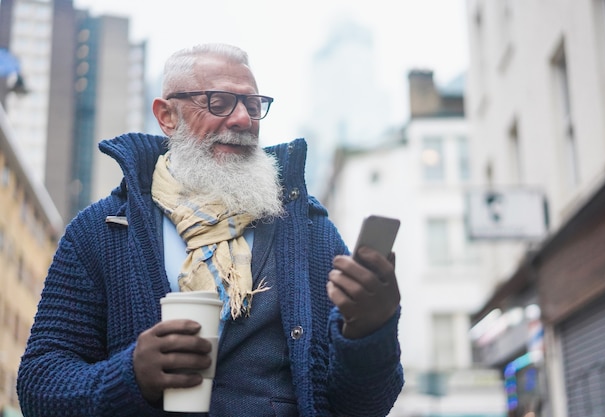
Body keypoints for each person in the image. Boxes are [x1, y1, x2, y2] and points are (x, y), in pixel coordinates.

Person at [17, 43, 404, 417]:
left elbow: (363, 407)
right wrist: (130, 376)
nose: (241, 119)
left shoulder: (310, 232)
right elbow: (39, 387)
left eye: (253, 105)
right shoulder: (100, 231)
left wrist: (369, 332)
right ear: (167, 115)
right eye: (219, 102)